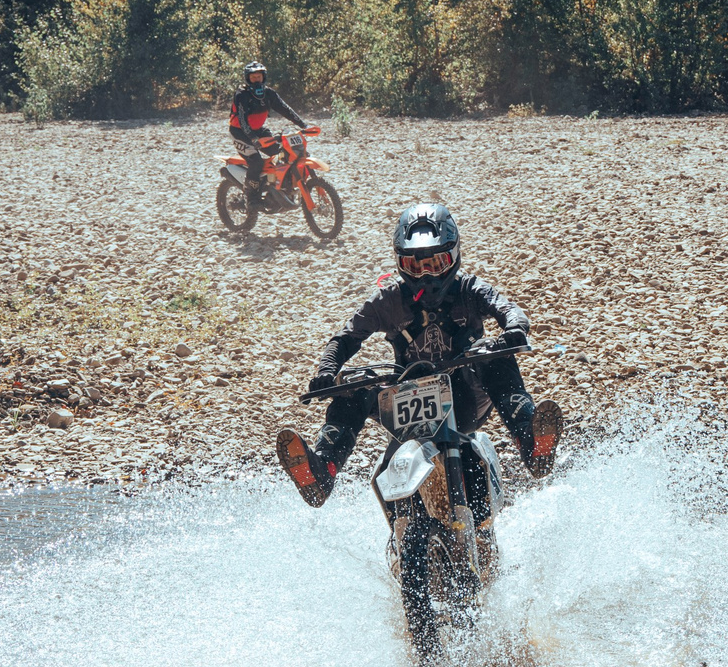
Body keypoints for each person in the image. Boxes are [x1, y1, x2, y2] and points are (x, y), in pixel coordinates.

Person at [275, 202, 562, 508]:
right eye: (415, 266)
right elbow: (345, 338)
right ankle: (322, 470)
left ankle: (532, 444)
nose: (426, 275)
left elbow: (508, 310)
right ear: (400, 264)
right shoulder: (387, 299)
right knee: (354, 384)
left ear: (453, 257)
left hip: (465, 397)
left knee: (494, 356)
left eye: (435, 264)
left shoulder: (471, 288)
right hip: (403, 398)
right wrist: (326, 370)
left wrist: (514, 330)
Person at [227, 61, 307, 206]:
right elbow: (243, 119)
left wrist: (303, 125)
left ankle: (275, 185)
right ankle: (251, 198)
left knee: (280, 152)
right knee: (256, 161)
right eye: (253, 77)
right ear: (248, 78)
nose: (256, 80)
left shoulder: (269, 93)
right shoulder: (242, 94)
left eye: (259, 77)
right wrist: (253, 138)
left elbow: (285, 109)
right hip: (240, 132)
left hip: (258, 130)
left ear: (264, 77)